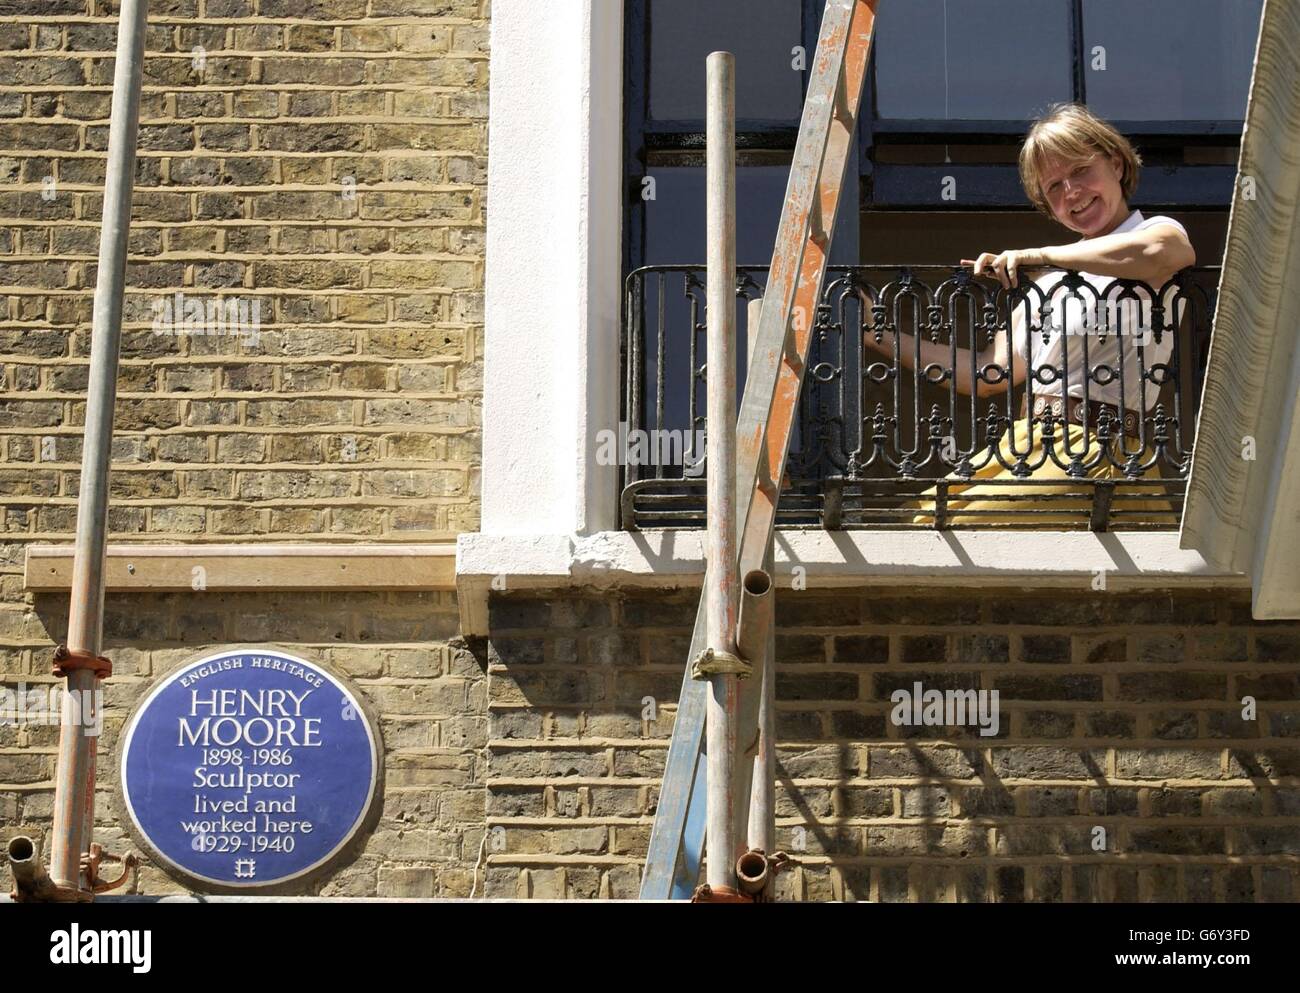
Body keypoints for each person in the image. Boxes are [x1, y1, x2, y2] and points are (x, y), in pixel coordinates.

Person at [865, 103, 1197, 526]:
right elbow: (991, 372)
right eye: (1054, 187)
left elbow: (1163, 253)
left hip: (1098, 452)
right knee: (917, 521)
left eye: (1080, 171)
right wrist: (881, 338)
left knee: (948, 527)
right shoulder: (1050, 284)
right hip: (1030, 444)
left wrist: (1040, 255)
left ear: (1115, 163)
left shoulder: (1153, 233)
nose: (1071, 192)